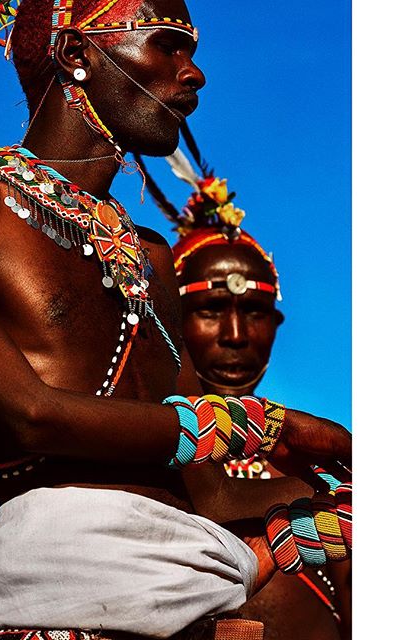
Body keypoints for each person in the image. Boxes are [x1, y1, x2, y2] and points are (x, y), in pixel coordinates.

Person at [0, 0, 352, 638]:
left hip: (195, 602)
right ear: (77, 54)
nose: (194, 74)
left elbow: (207, 494)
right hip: (56, 612)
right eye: (167, 45)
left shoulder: (154, 257)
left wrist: (327, 513)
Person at [137, 136, 351, 639]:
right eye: (211, 310)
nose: (235, 336)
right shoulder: (136, 453)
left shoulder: (322, 469)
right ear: (174, 317)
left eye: (255, 313)